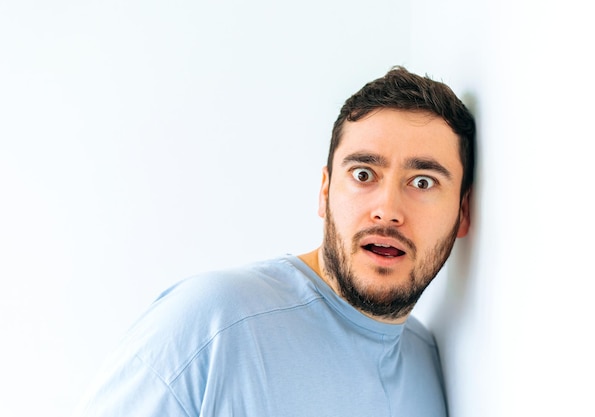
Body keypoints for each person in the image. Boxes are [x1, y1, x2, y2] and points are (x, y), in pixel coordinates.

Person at [74, 66, 475, 417]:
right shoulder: (212, 323)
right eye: (364, 174)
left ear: (462, 212)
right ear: (325, 191)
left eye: (423, 182)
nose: (387, 210)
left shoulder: (430, 361)